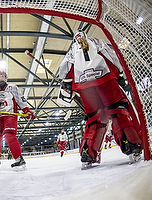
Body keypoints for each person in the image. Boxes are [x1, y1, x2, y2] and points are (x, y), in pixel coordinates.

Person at [57, 30, 142, 167]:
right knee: (117, 110)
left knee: (93, 118)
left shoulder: (72, 50)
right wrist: (119, 74)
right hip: (105, 80)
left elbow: (65, 70)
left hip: (85, 88)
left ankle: (87, 154)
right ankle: (130, 144)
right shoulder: (96, 41)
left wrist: (67, 83)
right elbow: (111, 58)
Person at [0, 71, 35, 169]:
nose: (1, 78)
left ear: (6, 78)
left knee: (9, 135)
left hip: (10, 115)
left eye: (3, 76)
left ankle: (19, 159)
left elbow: (20, 99)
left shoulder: (12, 87)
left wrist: (26, 110)